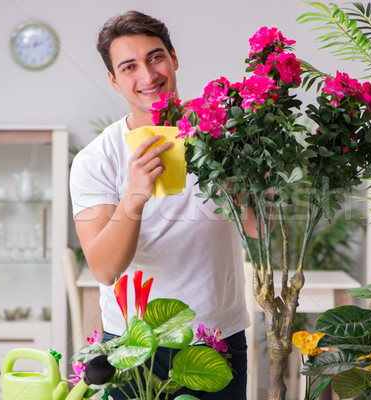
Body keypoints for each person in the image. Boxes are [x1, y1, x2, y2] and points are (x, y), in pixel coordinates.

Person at [69, 10, 252, 399]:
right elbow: (104, 268)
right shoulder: (95, 160)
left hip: (217, 337)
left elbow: (260, 231)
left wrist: (240, 186)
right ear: (114, 81)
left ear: (173, 58)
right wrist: (134, 194)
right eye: (129, 66)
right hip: (133, 344)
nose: (148, 76)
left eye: (155, 58)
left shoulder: (224, 138)